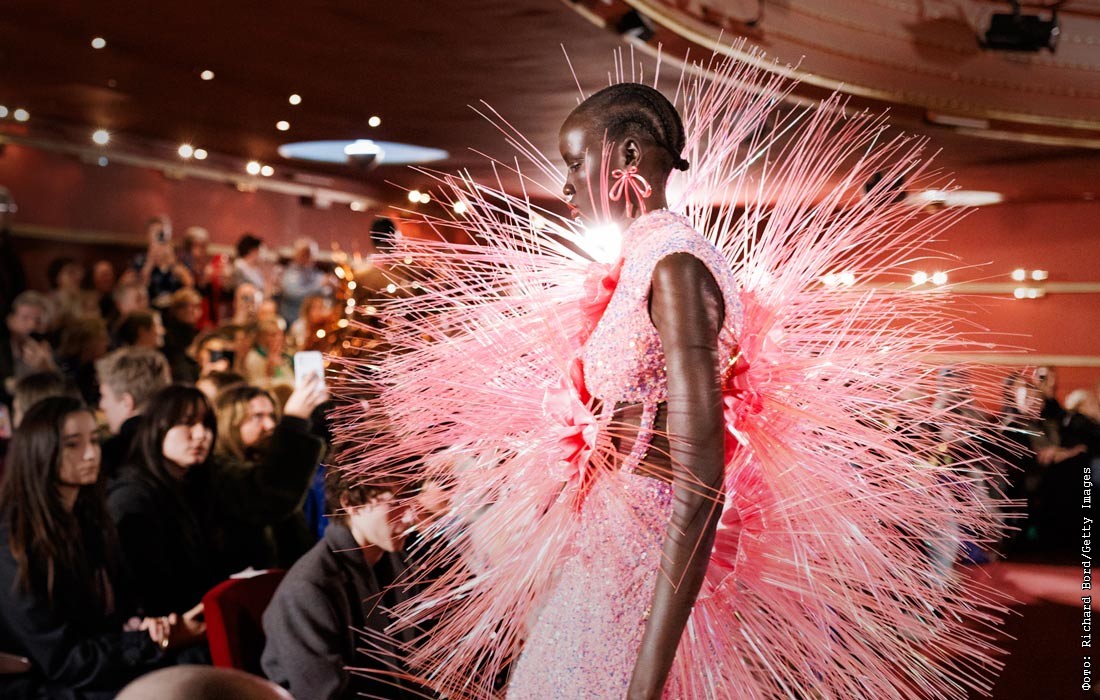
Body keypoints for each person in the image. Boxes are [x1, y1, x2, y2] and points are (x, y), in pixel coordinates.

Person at [333, 63, 1006, 700]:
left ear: (629, 155)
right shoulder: (647, 262)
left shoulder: (676, 267)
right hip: (609, 544)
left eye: (576, 161)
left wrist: (646, 679)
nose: (566, 185)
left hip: (643, 554)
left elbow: (701, 481)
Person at [0, 397, 170, 698]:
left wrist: (149, 627)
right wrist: (146, 643)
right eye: (72, 445)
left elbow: (120, 611)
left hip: (94, 664)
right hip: (47, 687)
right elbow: (62, 660)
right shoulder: (14, 541)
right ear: (41, 451)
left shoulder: (90, 520)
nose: (91, 454)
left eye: (94, 440)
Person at [261, 469, 423, 700]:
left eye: (413, 501)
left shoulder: (399, 563)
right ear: (351, 503)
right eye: (397, 503)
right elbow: (326, 694)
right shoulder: (308, 589)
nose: (411, 518)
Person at [212, 381, 327, 571]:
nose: (270, 425)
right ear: (229, 421)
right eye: (257, 416)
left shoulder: (265, 464)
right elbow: (271, 494)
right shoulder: (221, 472)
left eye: (272, 416)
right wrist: (295, 422)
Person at [96, 348, 172, 480]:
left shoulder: (114, 455)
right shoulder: (177, 445)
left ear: (127, 402)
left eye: (104, 396)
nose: (102, 405)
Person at [278, 237, 329, 324]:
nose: (310, 257)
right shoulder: (290, 273)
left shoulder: (314, 272)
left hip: (311, 320)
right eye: (306, 253)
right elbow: (293, 294)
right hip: (292, 319)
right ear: (297, 254)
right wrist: (320, 286)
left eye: (311, 254)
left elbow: (325, 291)